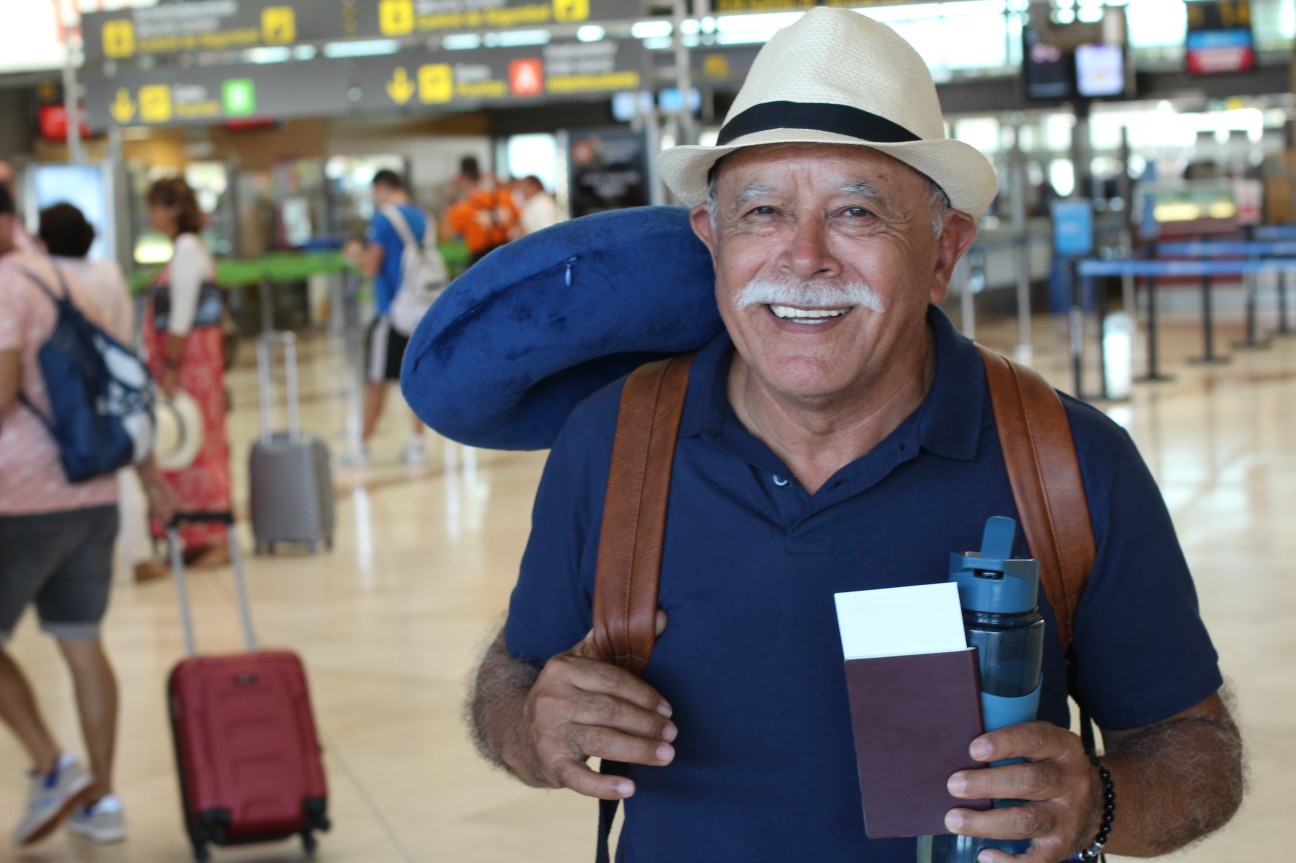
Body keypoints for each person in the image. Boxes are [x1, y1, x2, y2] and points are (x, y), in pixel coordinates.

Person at [466, 9, 1243, 863]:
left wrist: (1097, 800)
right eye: (761, 211)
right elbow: (509, 679)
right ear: (710, 239)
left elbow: (1199, 753)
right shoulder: (615, 444)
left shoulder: (1065, 463)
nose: (804, 258)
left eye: (858, 213)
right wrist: (529, 723)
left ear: (943, 253)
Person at [1, 183, 175, 846]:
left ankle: (52, 763)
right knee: (81, 640)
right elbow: (116, 384)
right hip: (95, 488)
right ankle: (101, 798)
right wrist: (150, 476)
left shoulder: (7, 285)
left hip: (18, 496)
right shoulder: (91, 280)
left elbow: (4, 390)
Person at [38, 202, 167, 583]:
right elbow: (125, 327)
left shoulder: (48, 278)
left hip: (63, 390)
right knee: (122, 464)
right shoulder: (108, 273)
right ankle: (139, 556)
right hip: (110, 383)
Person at [142, 177, 231, 567]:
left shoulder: (187, 249)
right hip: (191, 365)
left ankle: (213, 535)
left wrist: (171, 367)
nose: (151, 215)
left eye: (156, 206)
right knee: (189, 445)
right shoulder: (185, 249)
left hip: (191, 366)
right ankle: (193, 533)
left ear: (174, 209)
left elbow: (181, 316)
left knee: (196, 445)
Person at [340, 169, 429, 468]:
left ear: (381, 187)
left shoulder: (383, 219)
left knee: (376, 380)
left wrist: (354, 254)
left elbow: (371, 266)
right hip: (419, 310)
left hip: (391, 311)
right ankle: (417, 442)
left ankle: (361, 446)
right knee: (415, 379)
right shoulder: (422, 218)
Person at [443, 156, 519, 266]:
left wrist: (452, 195)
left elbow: (447, 234)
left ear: (462, 178)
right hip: (507, 257)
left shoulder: (464, 208)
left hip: (480, 262)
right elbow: (518, 219)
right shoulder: (504, 197)